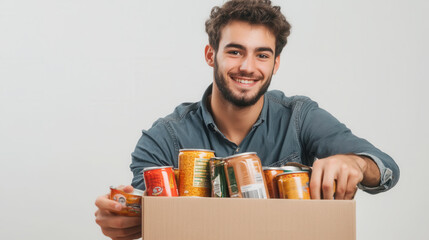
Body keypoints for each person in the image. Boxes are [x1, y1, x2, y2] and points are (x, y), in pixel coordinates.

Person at [95, 0, 400, 239]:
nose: (248, 67)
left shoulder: (300, 118)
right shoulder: (163, 138)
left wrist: (356, 164)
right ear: (210, 54)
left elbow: (385, 168)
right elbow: (145, 217)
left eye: (262, 55)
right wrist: (125, 218)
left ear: (276, 63)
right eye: (235, 51)